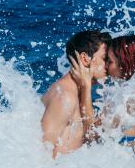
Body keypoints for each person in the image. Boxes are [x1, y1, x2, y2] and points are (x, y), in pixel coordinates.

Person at [70, 35, 135, 162]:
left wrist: (86, 86)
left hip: (128, 163)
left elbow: (91, 133)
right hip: (132, 156)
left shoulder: (129, 98)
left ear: (124, 63)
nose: (106, 67)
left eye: (109, 61)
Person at [41, 30, 111, 158]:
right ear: (85, 58)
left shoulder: (79, 93)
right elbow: (41, 152)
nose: (109, 64)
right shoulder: (65, 97)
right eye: (104, 58)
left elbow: (92, 135)